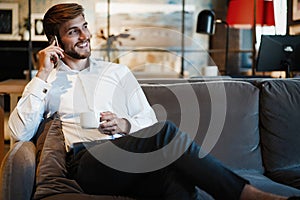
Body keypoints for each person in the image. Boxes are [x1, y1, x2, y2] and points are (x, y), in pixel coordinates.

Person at [8, 3, 293, 200]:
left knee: (176, 181)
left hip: (130, 155)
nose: (85, 36)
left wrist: (123, 123)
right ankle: (243, 194)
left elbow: (147, 121)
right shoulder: (47, 82)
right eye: (73, 31)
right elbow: (18, 132)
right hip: (87, 161)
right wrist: (43, 73)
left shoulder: (117, 72)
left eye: (84, 27)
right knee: (166, 132)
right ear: (55, 40)